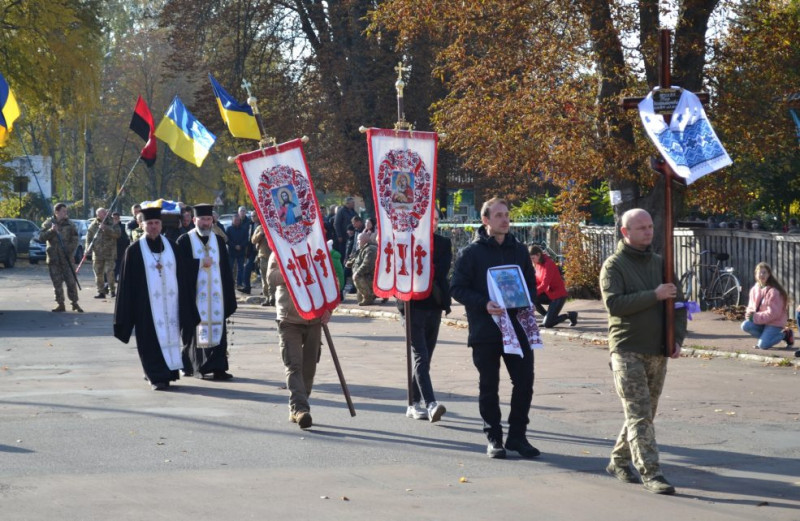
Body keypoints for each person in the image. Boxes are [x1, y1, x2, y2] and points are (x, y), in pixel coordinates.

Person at [599, 208, 687, 495]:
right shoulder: (614, 265)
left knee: (645, 414)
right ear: (625, 232)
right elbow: (615, 305)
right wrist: (654, 295)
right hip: (627, 349)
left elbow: (679, 305)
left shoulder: (662, 263)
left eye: (650, 226)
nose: (648, 231)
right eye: (641, 228)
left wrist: (677, 338)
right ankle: (652, 472)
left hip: (657, 349)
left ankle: (618, 461)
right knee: (639, 413)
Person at [450, 197, 541, 459]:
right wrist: (484, 303)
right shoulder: (471, 253)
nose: (505, 219)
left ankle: (517, 437)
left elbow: (529, 283)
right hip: (486, 330)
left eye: (507, 214)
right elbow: (457, 288)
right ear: (485, 220)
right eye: (499, 215)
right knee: (489, 385)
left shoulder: (519, 250)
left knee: (524, 383)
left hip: (518, 327)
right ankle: (494, 438)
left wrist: (529, 301)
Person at [113, 206, 198, 390]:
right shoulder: (134, 251)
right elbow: (126, 285)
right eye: (149, 223)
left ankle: (168, 374)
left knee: (171, 338)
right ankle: (154, 376)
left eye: (156, 223)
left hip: (171, 306)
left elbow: (183, 279)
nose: (153, 227)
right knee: (149, 341)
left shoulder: (172, 247)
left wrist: (187, 305)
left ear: (161, 225)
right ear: (141, 224)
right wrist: (128, 312)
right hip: (146, 307)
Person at [267, 251, 332, 429]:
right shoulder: (279, 251)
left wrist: (329, 308)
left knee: (309, 367)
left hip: (314, 318)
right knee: (293, 364)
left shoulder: (316, 249)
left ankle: (299, 404)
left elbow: (329, 280)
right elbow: (271, 278)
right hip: (289, 319)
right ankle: (300, 409)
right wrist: (292, 270)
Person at [398, 209, 451, 422]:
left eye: (437, 219)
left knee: (426, 356)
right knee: (420, 354)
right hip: (411, 306)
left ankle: (413, 402)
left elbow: (440, 271)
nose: (434, 223)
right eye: (431, 219)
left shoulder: (443, 243)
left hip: (433, 304)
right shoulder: (406, 241)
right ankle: (430, 404)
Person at [176, 204, 238, 380]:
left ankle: (218, 367)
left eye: (209, 219)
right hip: (194, 296)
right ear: (194, 220)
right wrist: (200, 263)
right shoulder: (184, 241)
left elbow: (226, 269)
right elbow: (180, 269)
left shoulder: (218, 241)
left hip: (216, 296)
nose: (206, 223)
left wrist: (229, 295)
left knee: (218, 329)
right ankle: (196, 366)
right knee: (195, 331)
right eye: (202, 219)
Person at [39, 203, 83, 313]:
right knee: (57, 282)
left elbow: (75, 238)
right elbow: (41, 237)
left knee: (71, 281)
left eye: (66, 211)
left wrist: (70, 249)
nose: (65, 213)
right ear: (56, 212)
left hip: (67, 258)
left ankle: (74, 303)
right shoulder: (48, 223)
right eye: (63, 211)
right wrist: (51, 231)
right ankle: (60, 303)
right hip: (54, 258)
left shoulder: (70, 224)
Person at [741, 262, 792, 350]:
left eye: (764, 272)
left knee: (763, 345)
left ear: (769, 274)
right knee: (745, 325)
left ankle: (785, 334)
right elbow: (751, 307)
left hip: (775, 323)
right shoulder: (754, 289)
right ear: (756, 274)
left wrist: (755, 317)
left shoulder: (774, 291)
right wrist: (749, 314)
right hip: (762, 321)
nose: (762, 275)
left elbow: (773, 314)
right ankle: (765, 338)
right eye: (759, 272)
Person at [529, 244, 577, 328]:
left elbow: (544, 285)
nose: (532, 261)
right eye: (531, 259)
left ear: (538, 255)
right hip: (549, 294)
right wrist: (530, 290)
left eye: (533, 258)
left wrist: (532, 292)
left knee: (548, 324)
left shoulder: (549, 264)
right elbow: (537, 280)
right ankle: (547, 316)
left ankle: (569, 315)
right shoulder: (537, 264)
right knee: (531, 299)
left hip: (558, 296)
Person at [86, 207, 121, 298]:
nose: (105, 214)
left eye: (105, 213)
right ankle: (101, 291)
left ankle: (112, 290)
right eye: (103, 213)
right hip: (97, 254)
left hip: (110, 253)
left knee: (110, 272)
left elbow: (117, 234)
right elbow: (89, 237)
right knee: (98, 273)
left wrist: (106, 228)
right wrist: (88, 248)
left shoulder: (112, 222)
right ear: (98, 215)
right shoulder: (93, 225)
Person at [350, 232, 377, 305]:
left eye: (359, 240)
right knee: (359, 299)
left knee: (357, 277)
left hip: (371, 277)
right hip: (366, 276)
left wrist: (357, 273)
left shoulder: (370, 249)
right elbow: (358, 260)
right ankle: (372, 294)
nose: (358, 242)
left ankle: (368, 298)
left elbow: (367, 264)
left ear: (364, 240)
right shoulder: (363, 249)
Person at [251, 223, 275, 306]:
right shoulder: (260, 228)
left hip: (275, 258)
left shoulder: (274, 226)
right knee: (265, 280)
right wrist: (260, 233)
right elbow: (253, 240)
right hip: (263, 257)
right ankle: (268, 298)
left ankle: (274, 297)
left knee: (274, 279)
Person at [226, 214, 248, 290]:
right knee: (230, 268)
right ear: (232, 220)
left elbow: (246, 240)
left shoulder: (244, 229)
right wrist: (234, 246)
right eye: (235, 220)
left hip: (241, 252)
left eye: (238, 220)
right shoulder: (229, 229)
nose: (237, 221)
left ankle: (239, 284)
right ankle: (230, 283)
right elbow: (227, 240)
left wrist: (241, 246)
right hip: (231, 252)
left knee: (240, 269)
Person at [112, 211, 130, 282]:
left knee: (118, 265)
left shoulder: (123, 227)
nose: (115, 220)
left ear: (119, 219)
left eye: (116, 218)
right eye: (113, 218)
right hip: (110, 250)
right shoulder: (109, 227)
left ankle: (116, 278)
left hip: (120, 249)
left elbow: (125, 239)